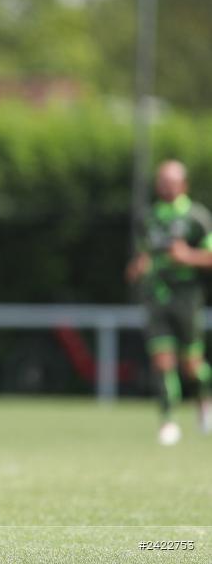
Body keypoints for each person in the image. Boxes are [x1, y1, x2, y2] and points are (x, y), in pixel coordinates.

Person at [126, 160, 212, 446]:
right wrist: (138, 268)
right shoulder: (148, 218)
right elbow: (143, 255)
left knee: (192, 366)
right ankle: (167, 420)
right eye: (161, 180)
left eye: (171, 181)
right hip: (157, 297)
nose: (165, 186)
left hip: (187, 298)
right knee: (162, 361)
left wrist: (188, 257)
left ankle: (204, 402)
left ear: (183, 185)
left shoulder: (197, 217)